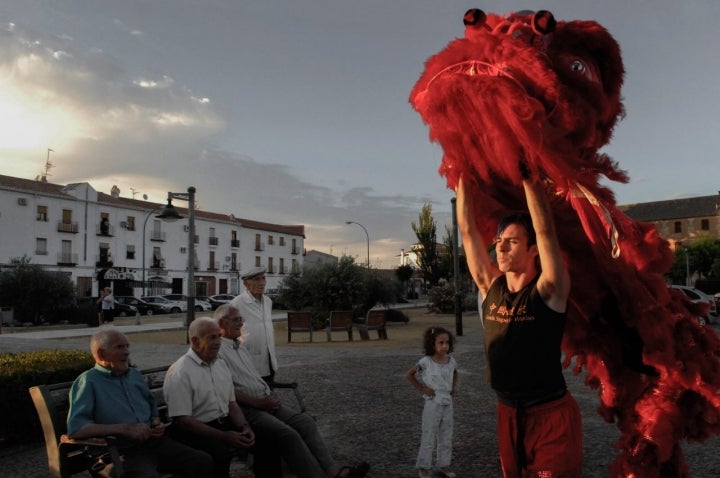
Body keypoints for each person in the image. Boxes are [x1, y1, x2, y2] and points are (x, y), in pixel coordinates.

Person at [456, 175, 582, 477]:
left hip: (550, 415)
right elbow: (468, 232)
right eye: (499, 242)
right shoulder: (490, 287)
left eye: (511, 242)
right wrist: (460, 175)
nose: (501, 249)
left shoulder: (550, 290)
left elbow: (545, 232)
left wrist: (530, 181)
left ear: (533, 250)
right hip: (507, 412)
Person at [214, 304, 370, 478]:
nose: (241, 324)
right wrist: (259, 402)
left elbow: (253, 378)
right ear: (222, 322)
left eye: (241, 320)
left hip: (266, 402)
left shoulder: (240, 347)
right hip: (248, 409)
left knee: (305, 422)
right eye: (237, 320)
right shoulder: (218, 350)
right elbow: (226, 391)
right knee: (288, 434)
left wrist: (268, 394)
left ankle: (333, 471)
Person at [66, 328, 213, 477]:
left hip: (151, 444)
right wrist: (123, 429)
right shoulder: (89, 382)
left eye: (127, 346)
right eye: (119, 347)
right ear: (101, 354)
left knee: (201, 461)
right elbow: (77, 429)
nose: (126, 352)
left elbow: (151, 405)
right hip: (116, 453)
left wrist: (156, 422)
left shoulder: (134, 375)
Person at [163, 317, 257, 478]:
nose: (218, 342)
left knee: (266, 438)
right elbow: (183, 420)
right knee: (219, 452)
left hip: (222, 424)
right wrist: (224, 436)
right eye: (212, 337)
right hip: (193, 431)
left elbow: (231, 404)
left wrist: (244, 427)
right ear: (195, 340)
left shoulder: (220, 364)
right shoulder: (181, 372)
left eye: (219, 336)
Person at [406, 326, 458, 478]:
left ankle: (443, 465)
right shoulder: (426, 362)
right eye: (441, 343)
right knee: (429, 434)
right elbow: (409, 374)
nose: (444, 346)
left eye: (447, 343)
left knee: (446, 435)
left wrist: (453, 388)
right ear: (432, 344)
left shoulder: (451, 361)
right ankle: (424, 467)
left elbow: (455, 372)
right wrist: (422, 388)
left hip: (447, 402)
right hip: (433, 402)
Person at [229, 266, 277, 382]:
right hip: (248, 359)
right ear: (246, 284)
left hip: (269, 358)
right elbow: (228, 332)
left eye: (263, 278)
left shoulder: (268, 301)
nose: (262, 283)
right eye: (257, 279)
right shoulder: (237, 303)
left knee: (268, 390)